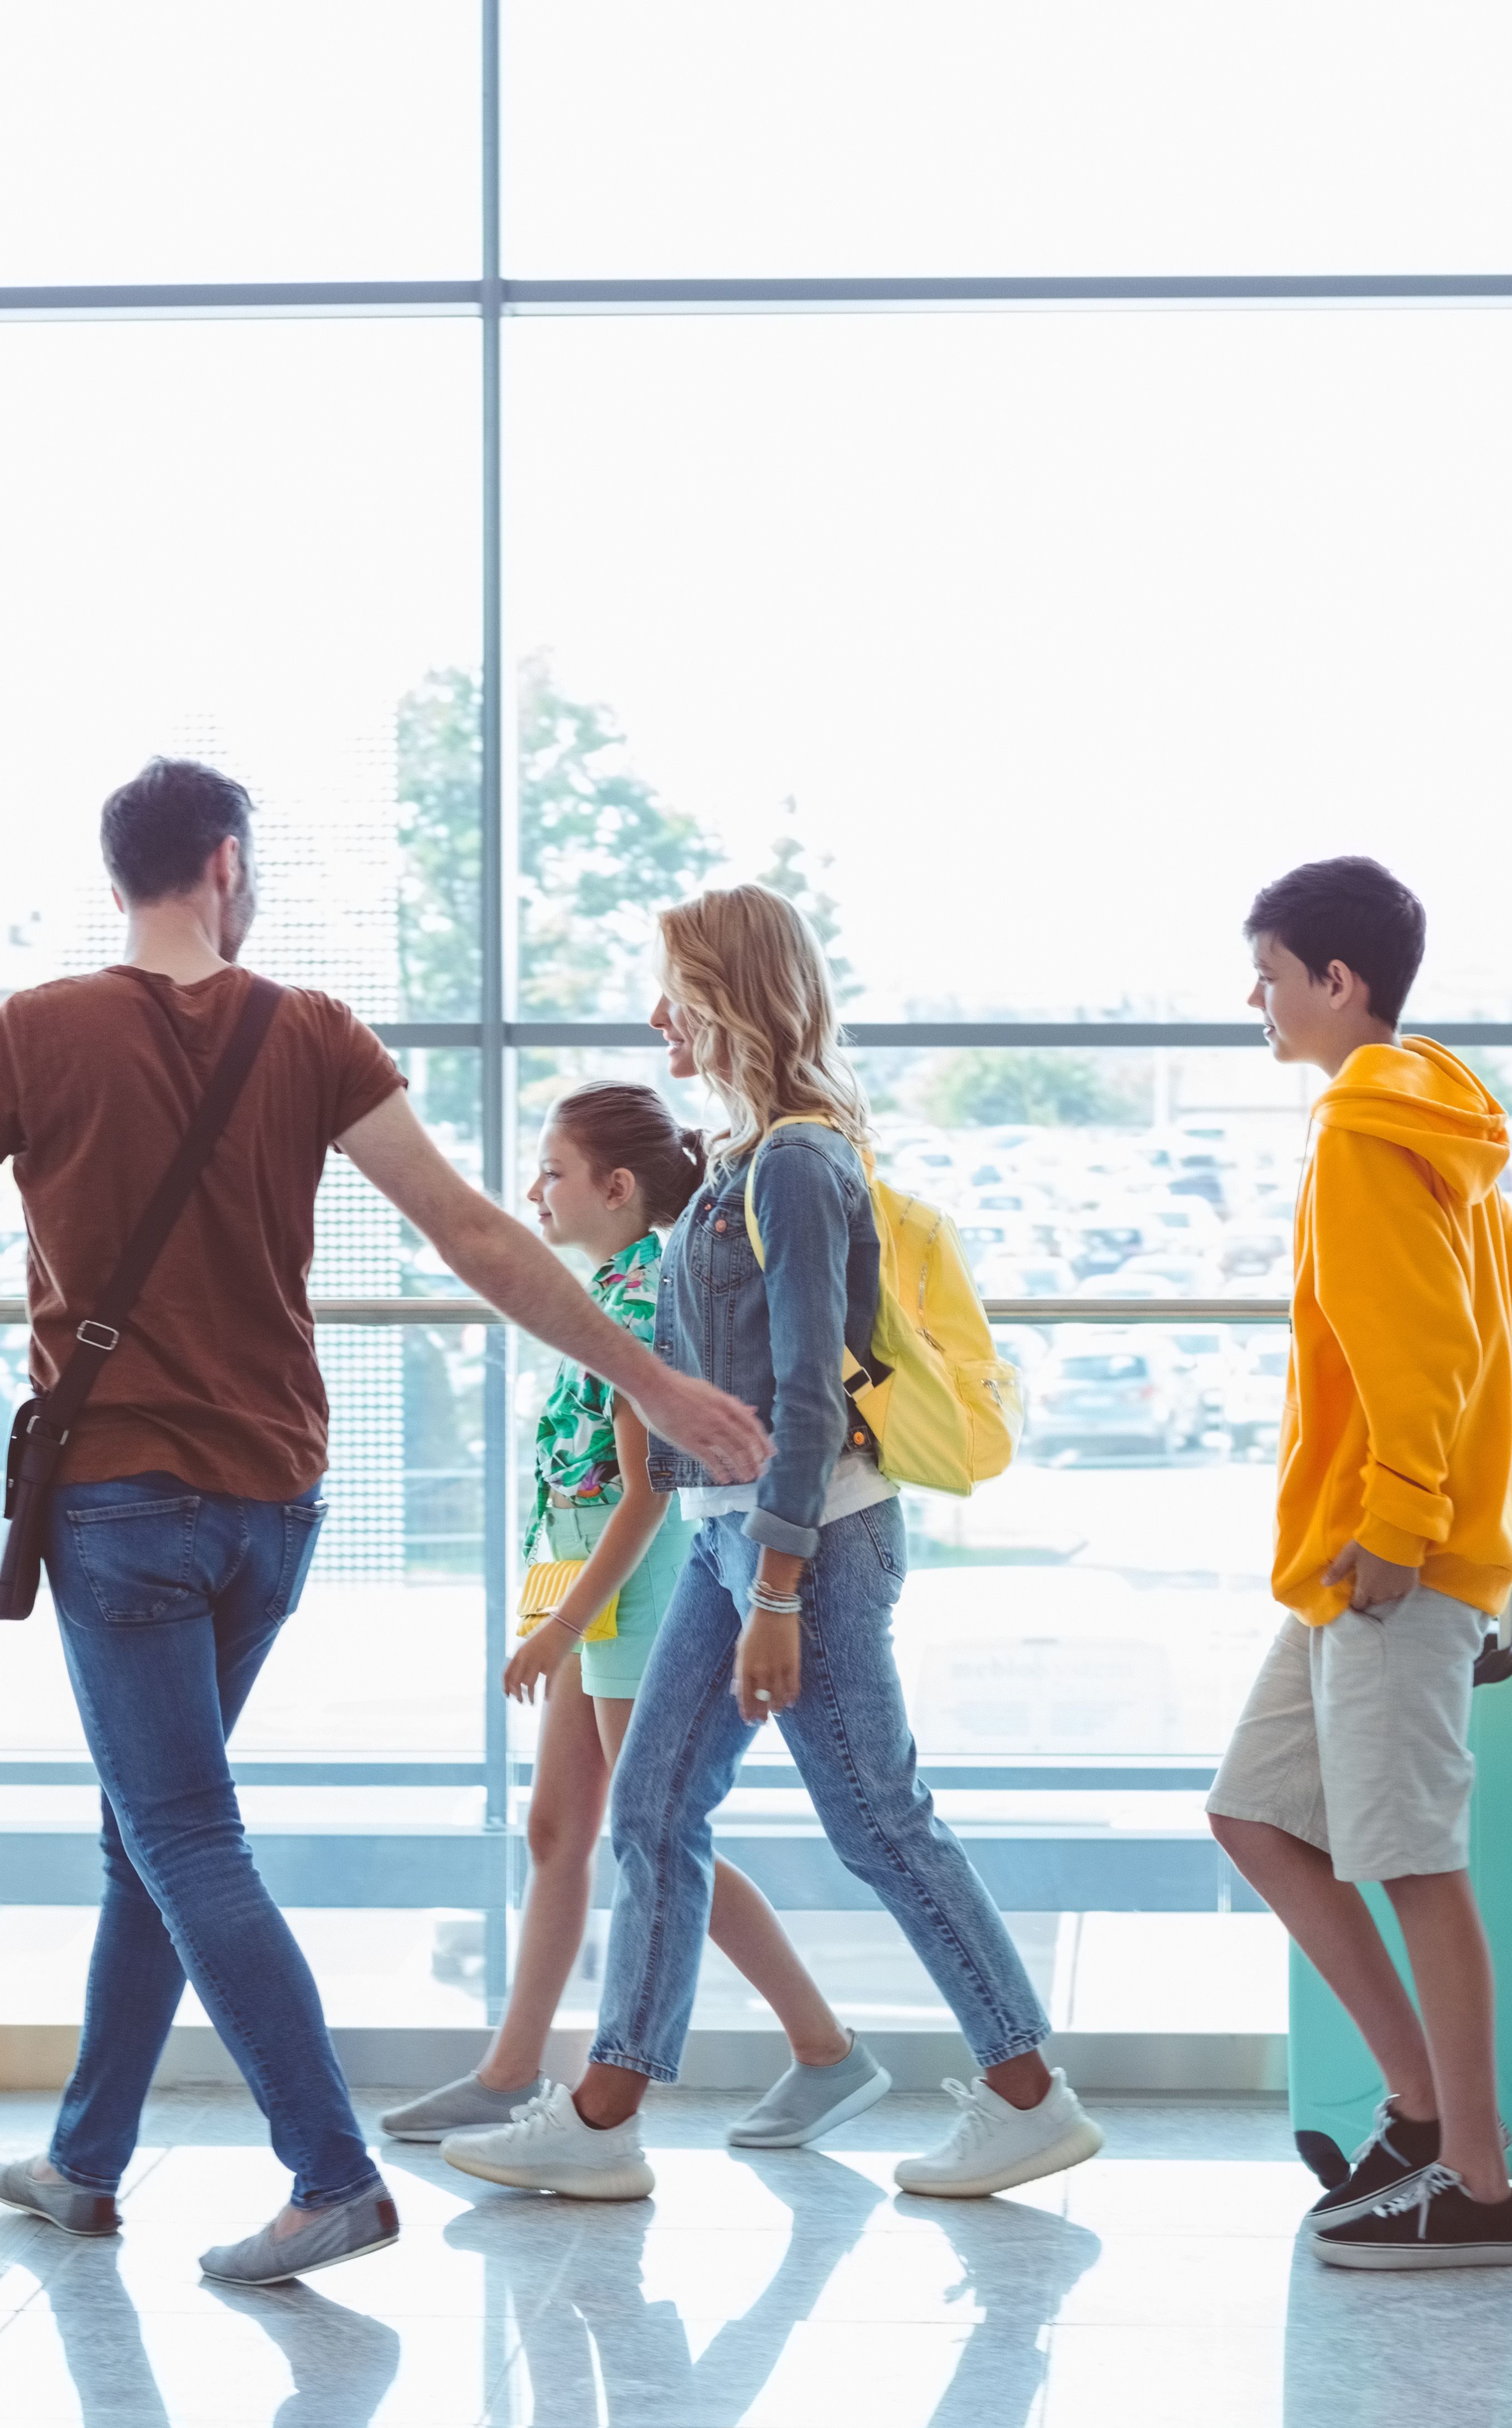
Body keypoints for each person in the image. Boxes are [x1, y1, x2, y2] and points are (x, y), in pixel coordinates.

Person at [0, 758, 771, 2287]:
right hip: (273, 1504)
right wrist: (652, 1377)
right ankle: (86, 2155)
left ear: (129, 873)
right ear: (223, 865)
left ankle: (329, 2171)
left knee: (180, 1827)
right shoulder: (309, 1031)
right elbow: (474, 1230)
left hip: (120, 1505)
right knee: (150, 1830)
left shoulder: (34, 1033)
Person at [443, 882, 1105, 2204]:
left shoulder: (799, 1165)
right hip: (718, 1538)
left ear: (729, 995)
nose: (653, 1016)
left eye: (673, 988)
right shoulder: (746, 1158)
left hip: (808, 1546)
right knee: (652, 1810)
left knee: (878, 1822)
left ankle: (1028, 2094)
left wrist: (782, 1590)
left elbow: (810, 1390)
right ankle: (603, 2116)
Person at [379, 1082, 883, 2150]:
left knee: (659, 1832)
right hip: (591, 1590)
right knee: (561, 1828)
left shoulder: (648, 1290)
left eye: (554, 1171)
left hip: (631, 1590)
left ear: (617, 1186)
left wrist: (566, 1625)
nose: (535, 1192)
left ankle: (827, 2048)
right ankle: (510, 2073)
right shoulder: (618, 1278)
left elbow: (649, 1491)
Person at [1200, 855, 1512, 2269]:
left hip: (1387, 1559)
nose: (1258, 997)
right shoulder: (1441, 1122)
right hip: (1370, 1553)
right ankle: (1420, 2114)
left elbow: (1419, 1348)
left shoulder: (1366, 1131)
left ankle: (1476, 2189)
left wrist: (1413, 1518)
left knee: (1416, 1865)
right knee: (1255, 1813)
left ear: (1334, 983)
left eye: (1270, 972)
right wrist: (1480, 1468)